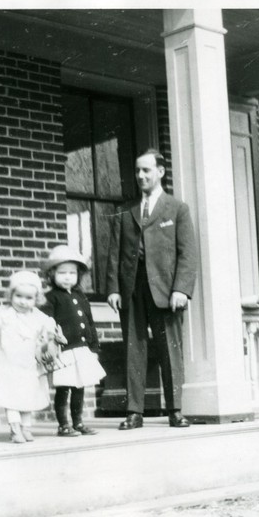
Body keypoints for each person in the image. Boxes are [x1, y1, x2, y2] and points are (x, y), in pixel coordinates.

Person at [105, 149, 196, 430]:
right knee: (134, 349)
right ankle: (135, 411)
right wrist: (113, 289)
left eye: (146, 170)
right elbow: (114, 253)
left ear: (160, 172)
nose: (141, 176)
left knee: (169, 348)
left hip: (166, 291)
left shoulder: (177, 208)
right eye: (137, 171)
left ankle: (175, 409)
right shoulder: (126, 211)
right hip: (132, 288)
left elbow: (188, 253)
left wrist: (181, 289)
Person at [0, 270, 66, 444]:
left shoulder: (40, 318)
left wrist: (53, 338)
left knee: (28, 396)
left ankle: (26, 427)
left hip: (28, 366)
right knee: (11, 397)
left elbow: (49, 335)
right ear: (11, 295)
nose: (23, 302)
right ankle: (15, 428)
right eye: (19, 296)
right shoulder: (1, 314)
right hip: (7, 365)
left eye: (29, 298)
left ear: (36, 299)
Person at [40, 245, 107, 437]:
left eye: (72, 272)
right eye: (62, 273)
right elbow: (47, 324)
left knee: (80, 387)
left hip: (82, 350)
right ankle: (63, 425)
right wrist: (54, 342)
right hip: (65, 351)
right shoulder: (50, 298)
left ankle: (78, 422)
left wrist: (93, 347)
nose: (67, 276)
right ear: (52, 274)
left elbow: (89, 323)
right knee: (64, 388)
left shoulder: (80, 297)